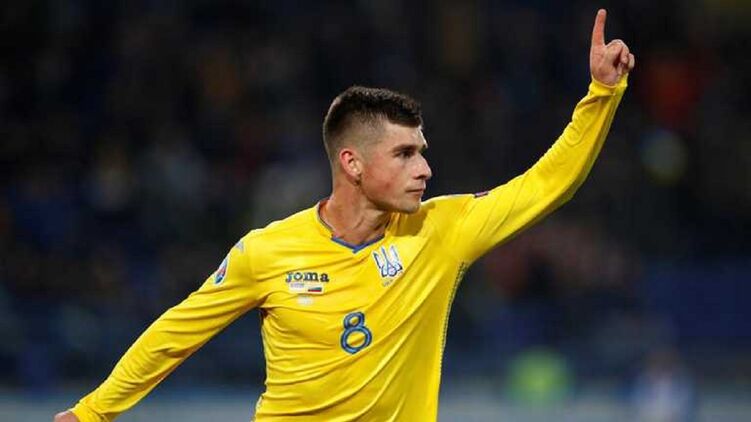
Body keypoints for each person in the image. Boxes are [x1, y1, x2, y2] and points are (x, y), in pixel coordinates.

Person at [55, 9, 634, 421]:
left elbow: (547, 184)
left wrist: (601, 94)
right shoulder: (266, 251)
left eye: (422, 152)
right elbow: (174, 335)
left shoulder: (441, 231)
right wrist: (92, 413)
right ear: (352, 163)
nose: (424, 169)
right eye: (404, 154)